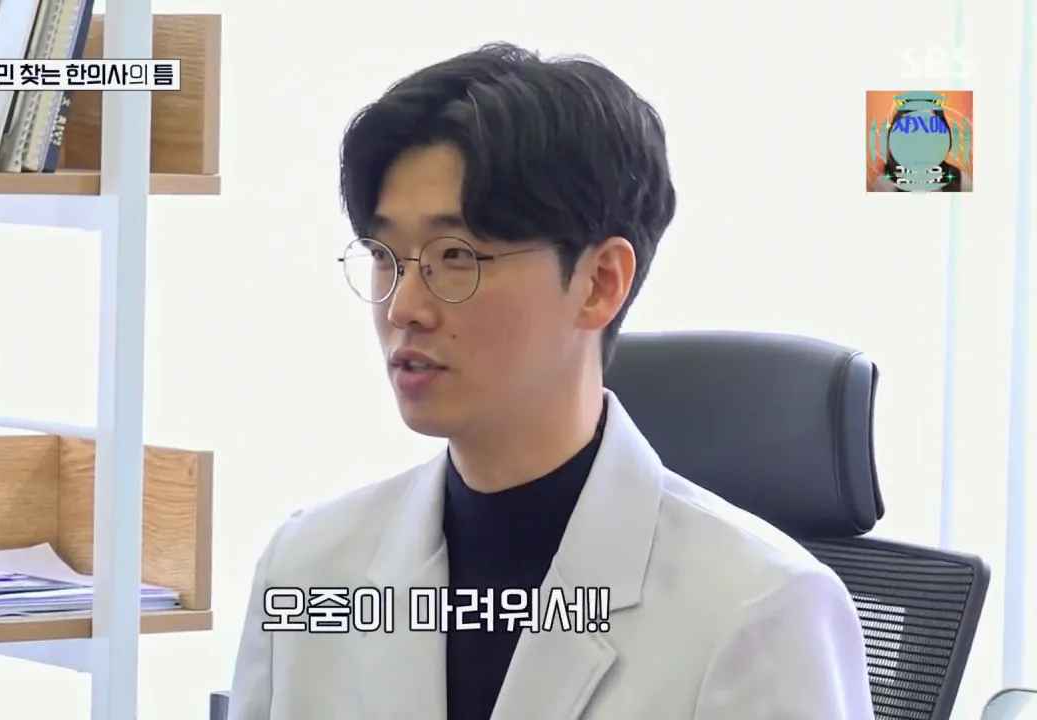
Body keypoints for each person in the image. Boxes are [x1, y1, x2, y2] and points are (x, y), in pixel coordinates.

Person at [228, 43, 875, 720]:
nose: (403, 307)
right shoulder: (306, 568)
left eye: (456, 256)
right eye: (386, 255)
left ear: (599, 283)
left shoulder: (757, 608)